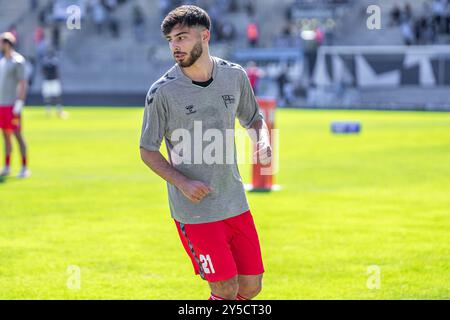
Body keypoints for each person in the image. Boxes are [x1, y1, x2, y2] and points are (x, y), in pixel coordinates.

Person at [140, 5, 272, 300]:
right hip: (195, 211)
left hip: (234, 201)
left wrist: (261, 141)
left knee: (251, 286)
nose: (175, 46)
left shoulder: (234, 76)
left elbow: (253, 118)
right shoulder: (162, 91)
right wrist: (184, 183)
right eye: (171, 40)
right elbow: (147, 150)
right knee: (224, 288)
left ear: (205, 36)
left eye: (183, 37)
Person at [0, 32, 30, 178]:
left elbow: (23, 83)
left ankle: (24, 167)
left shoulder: (17, 61)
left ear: (7, 43)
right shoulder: (3, 61)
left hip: (12, 105)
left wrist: (19, 103)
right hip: (2, 104)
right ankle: (6, 165)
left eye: (2, 42)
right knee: (5, 136)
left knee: (17, 135)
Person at [41, 49, 67, 118]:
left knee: (57, 96)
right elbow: (44, 71)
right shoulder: (46, 61)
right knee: (47, 96)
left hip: (53, 80)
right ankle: (48, 110)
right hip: (48, 80)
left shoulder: (54, 61)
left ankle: (58, 110)